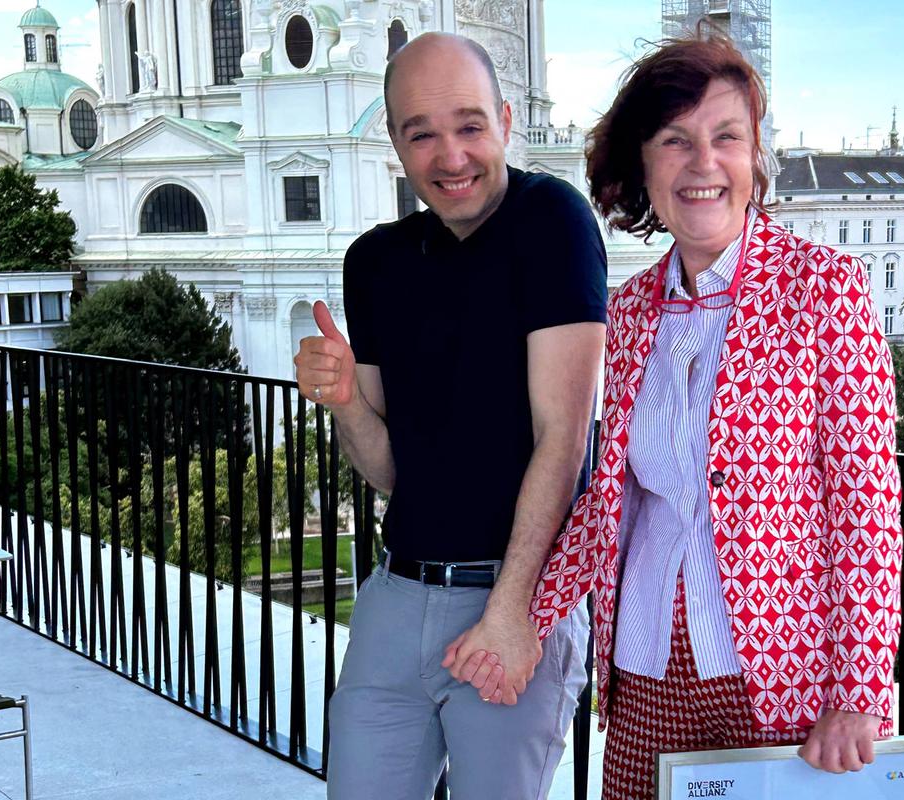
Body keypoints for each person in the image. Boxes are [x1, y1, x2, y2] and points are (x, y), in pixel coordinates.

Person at [449, 33, 903, 799]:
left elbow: (865, 498)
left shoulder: (826, 288)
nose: (703, 163)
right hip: (645, 668)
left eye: (727, 137)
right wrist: (523, 614)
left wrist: (859, 692)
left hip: (778, 680)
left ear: (755, 158)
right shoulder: (629, 313)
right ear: (646, 165)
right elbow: (608, 504)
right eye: (675, 140)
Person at [293, 32, 606, 800]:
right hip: (397, 596)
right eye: (421, 131)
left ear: (504, 121)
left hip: (514, 595)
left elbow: (564, 439)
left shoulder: (552, 221)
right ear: (396, 143)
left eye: (469, 126)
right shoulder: (375, 263)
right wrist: (344, 404)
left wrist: (511, 613)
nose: (450, 154)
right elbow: (389, 470)